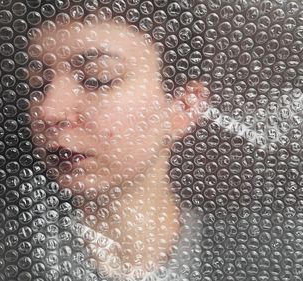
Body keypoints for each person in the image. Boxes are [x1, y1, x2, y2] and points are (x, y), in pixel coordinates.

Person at [28, 18, 210, 280]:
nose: (48, 111)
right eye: (38, 85)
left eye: (97, 79)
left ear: (183, 108)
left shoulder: (262, 252)